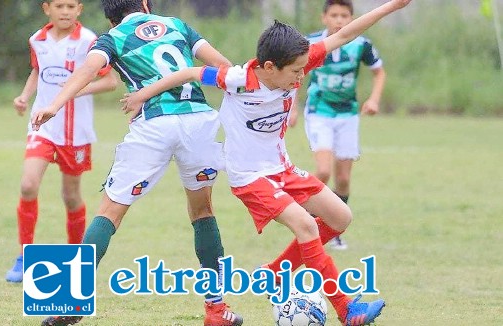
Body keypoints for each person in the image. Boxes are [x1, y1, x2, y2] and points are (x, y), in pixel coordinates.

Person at [120, 1, 411, 325]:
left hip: (281, 169)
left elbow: (344, 35)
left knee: (341, 217)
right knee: (305, 225)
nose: (302, 76)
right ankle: (347, 309)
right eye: (296, 71)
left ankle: (273, 274)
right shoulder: (237, 79)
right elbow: (190, 72)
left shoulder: (296, 63)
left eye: (304, 68)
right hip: (249, 178)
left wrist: (393, 6)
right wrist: (142, 95)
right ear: (270, 67)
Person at [31, 1, 243, 325]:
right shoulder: (177, 25)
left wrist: (54, 103)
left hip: (155, 125)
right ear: (144, 3)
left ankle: (72, 301)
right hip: (199, 120)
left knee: (108, 213)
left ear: (110, 14)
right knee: (202, 211)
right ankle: (216, 310)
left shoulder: (113, 37)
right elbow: (224, 67)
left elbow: (87, 71)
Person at [5, 0, 118, 283]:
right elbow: (37, 71)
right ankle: (23, 256)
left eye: (70, 6)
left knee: (70, 197)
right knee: (28, 184)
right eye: (59, 5)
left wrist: (74, 91)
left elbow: (110, 82)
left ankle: (76, 260)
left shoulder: (90, 41)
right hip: (42, 126)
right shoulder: (37, 40)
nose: (65, 11)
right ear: (47, 9)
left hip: (75, 132)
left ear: (79, 9)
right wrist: (24, 96)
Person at [290, 0, 387, 250]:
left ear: (352, 18)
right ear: (324, 17)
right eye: (334, 15)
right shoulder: (310, 43)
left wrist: (374, 99)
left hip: (347, 115)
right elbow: (294, 75)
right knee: (322, 171)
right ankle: (306, 220)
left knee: (343, 179)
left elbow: (379, 72)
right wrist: (292, 108)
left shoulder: (361, 45)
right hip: (319, 111)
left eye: (345, 16)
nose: (339, 20)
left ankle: (331, 229)